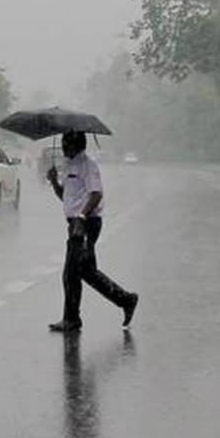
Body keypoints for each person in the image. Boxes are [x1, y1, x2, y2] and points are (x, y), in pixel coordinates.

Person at [46, 130, 138, 333]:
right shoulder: (70, 166)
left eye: (66, 142)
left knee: (71, 273)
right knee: (86, 272)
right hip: (76, 224)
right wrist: (54, 182)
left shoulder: (88, 166)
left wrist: (81, 217)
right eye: (62, 142)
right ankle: (126, 299)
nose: (62, 146)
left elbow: (96, 194)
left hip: (85, 225)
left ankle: (71, 319)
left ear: (76, 144)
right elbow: (68, 198)